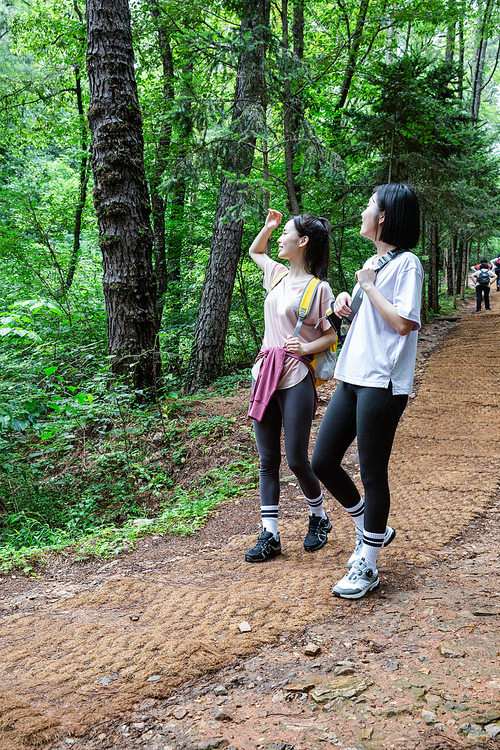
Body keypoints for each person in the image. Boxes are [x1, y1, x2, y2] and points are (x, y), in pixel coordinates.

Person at [311, 183, 423, 599]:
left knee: (372, 473)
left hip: (383, 382)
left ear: (384, 218)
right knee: (322, 460)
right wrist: (346, 298)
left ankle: (369, 565)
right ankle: (370, 529)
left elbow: (402, 323)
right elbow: (364, 314)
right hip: (352, 376)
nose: (362, 211)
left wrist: (369, 285)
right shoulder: (374, 262)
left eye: (368, 206)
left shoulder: (407, 264)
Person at [245, 209, 338, 563]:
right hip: (266, 371)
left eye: (285, 233)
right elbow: (256, 252)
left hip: (297, 375)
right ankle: (270, 534)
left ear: (303, 242)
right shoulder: (278, 276)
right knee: (267, 460)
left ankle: (319, 516)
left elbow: (330, 335)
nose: (280, 239)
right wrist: (267, 227)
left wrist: (307, 346)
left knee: (297, 457)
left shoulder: (319, 288)